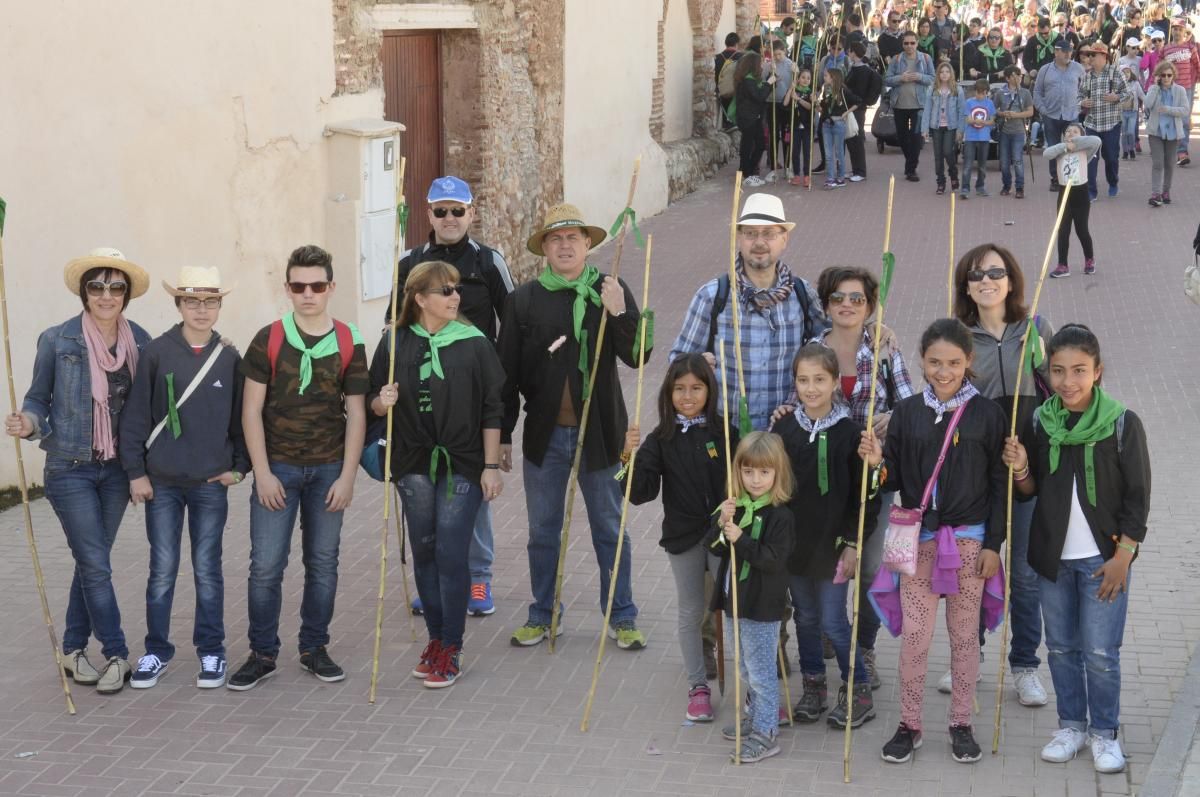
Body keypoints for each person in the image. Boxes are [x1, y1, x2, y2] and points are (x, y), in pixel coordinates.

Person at [498, 204, 650, 649]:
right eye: (555, 239)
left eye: (573, 238)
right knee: (543, 531)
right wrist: (504, 433)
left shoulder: (611, 288)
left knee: (609, 527)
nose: (565, 246)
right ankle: (544, 614)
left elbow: (639, 355)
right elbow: (505, 375)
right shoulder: (523, 299)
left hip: (603, 435)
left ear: (588, 244)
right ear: (544, 248)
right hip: (545, 438)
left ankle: (622, 616)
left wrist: (621, 313)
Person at [1002, 324, 1150, 775]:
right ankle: (1072, 726)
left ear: (1098, 371)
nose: (1068, 381)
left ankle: (1105, 733)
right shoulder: (1040, 421)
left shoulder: (1122, 424)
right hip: (1053, 560)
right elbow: (1029, 493)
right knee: (1062, 648)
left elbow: (1137, 498)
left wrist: (1123, 557)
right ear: (1048, 372)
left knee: (1101, 652)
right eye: (1059, 370)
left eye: (1079, 371)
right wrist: (1022, 466)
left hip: (1103, 561)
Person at [859, 318, 1007, 766]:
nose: (944, 371)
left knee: (964, 639)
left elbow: (1000, 484)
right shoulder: (906, 412)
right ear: (922, 361)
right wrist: (877, 463)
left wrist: (992, 545)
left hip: (968, 542)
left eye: (954, 362)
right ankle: (910, 724)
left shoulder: (988, 414)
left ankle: (961, 722)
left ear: (969, 362)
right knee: (916, 639)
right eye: (935, 362)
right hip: (918, 540)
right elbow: (897, 479)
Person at [6, 248, 152, 695]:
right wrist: (28, 422)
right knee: (95, 563)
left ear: (126, 295)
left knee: (93, 563)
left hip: (116, 471)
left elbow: (146, 409)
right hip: (69, 467)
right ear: (84, 292)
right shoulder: (58, 340)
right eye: (97, 286)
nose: (106, 295)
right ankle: (115, 653)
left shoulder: (141, 342)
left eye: (115, 287)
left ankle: (72, 648)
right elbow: (37, 398)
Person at [228, 244, 369, 691]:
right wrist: (263, 471)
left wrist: (348, 476)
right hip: (280, 469)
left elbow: (358, 413)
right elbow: (251, 411)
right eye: (298, 286)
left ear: (331, 287)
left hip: (328, 469)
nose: (308, 294)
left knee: (323, 563)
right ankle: (262, 653)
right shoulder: (268, 338)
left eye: (317, 285)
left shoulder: (350, 341)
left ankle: (314, 647)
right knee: (266, 566)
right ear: (287, 288)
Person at [369, 260, 506, 689]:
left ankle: (452, 644)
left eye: (455, 288)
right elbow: (370, 404)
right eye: (444, 290)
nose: (454, 296)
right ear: (419, 299)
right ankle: (434, 640)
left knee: (450, 552)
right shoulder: (394, 343)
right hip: (412, 464)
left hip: (462, 464)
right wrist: (382, 401)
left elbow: (492, 407)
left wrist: (489, 466)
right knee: (424, 552)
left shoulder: (475, 342)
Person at [118, 267, 248, 690]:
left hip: (211, 482)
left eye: (210, 301)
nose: (201, 309)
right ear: (178, 305)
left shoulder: (229, 357)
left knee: (208, 568)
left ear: (220, 306)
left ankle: (212, 651)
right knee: (163, 568)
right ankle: (157, 650)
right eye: (192, 301)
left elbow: (241, 420)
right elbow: (136, 417)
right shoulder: (156, 352)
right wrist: (136, 473)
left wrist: (240, 467)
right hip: (163, 482)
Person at [393, 176, 512, 618]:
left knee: (472, 494)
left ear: (471, 212)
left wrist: (505, 425)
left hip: (470, 401)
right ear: (428, 215)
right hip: (421, 406)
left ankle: (478, 580)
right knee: (424, 498)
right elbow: (396, 325)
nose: (449, 219)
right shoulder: (408, 262)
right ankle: (433, 580)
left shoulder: (489, 261)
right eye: (440, 211)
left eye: (457, 211)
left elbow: (512, 328)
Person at [949, 244, 1054, 708]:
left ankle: (1026, 666)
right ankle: (967, 658)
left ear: (1011, 280)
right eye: (976, 273)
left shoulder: (1036, 329)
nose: (986, 280)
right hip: (975, 468)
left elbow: (1057, 393)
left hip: (1028, 466)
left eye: (996, 271)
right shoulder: (958, 336)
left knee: (1027, 577)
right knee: (973, 569)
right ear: (966, 285)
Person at [775, 345, 880, 729]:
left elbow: (864, 497)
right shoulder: (784, 428)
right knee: (805, 618)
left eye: (820, 379)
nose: (811, 388)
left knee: (834, 620)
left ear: (836, 382)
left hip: (835, 546)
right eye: (803, 380)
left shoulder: (852, 434)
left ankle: (859, 688)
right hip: (795, 547)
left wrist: (854, 542)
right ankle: (813, 685)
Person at [623, 355, 732, 722]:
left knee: (733, 607)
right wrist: (628, 455)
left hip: (723, 535)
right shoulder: (660, 438)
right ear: (668, 392)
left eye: (696, 388)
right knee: (690, 611)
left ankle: (750, 686)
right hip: (683, 537)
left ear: (709, 390)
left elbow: (744, 478)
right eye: (680, 388)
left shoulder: (723, 431)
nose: (687, 396)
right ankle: (697, 685)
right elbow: (640, 493)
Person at [670, 193, 826, 431]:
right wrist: (697, 365)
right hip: (725, 432)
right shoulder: (713, 296)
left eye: (769, 234)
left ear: (784, 239)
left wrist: (872, 328)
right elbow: (678, 361)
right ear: (738, 238)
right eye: (750, 233)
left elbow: (828, 346)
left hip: (785, 433)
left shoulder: (802, 295)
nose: (759, 242)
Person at [706, 432, 795, 764]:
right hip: (734, 602)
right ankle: (759, 718)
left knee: (760, 672)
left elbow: (772, 560)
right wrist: (721, 523)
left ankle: (767, 732)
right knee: (743, 665)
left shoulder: (781, 516)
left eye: (764, 472)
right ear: (737, 473)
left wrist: (741, 538)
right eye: (748, 472)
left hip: (761, 605)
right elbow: (713, 547)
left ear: (777, 474)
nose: (755, 480)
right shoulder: (736, 507)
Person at [1045, 123, 1100, 277]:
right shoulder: (1059, 149)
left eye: (1075, 131)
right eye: (1068, 131)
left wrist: (1076, 142)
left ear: (1081, 135)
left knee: (1081, 229)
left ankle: (1089, 260)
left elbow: (1096, 141)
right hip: (1064, 194)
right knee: (1062, 230)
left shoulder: (1085, 149)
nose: (1070, 133)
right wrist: (1064, 147)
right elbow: (1046, 154)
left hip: (1080, 194)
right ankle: (1062, 265)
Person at [1034, 38, 1086, 189]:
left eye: (1069, 51)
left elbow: (1085, 89)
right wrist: (1043, 110)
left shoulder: (1078, 68)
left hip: (1072, 114)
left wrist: (1080, 106)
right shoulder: (1045, 70)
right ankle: (1055, 178)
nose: (1068, 54)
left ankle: (1072, 177)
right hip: (1051, 114)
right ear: (1056, 52)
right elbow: (1037, 91)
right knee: (1053, 147)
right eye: (1064, 51)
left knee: (1074, 145)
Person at [1078, 43, 1129, 200]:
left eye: (1093, 55)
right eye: (1088, 55)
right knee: (1091, 159)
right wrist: (1082, 103)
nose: (1090, 58)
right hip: (1092, 123)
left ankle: (1113, 182)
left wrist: (1117, 97)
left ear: (1103, 56)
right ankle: (1091, 191)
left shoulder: (1116, 73)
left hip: (1111, 123)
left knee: (1111, 157)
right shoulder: (1086, 76)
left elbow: (1128, 94)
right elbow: (1079, 96)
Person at [885, 30, 938, 181]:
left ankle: (911, 169)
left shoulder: (925, 58)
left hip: (919, 105)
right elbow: (887, 79)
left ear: (917, 43)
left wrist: (920, 77)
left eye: (912, 43)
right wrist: (901, 78)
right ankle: (911, 162)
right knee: (902, 137)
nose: (909, 46)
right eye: (906, 43)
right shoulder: (896, 59)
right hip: (899, 104)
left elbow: (933, 79)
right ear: (902, 44)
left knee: (916, 137)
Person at [1144, 60, 1189, 206]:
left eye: (1169, 75)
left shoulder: (1180, 90)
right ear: (1159, 76)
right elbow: (1147, 104)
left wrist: (1169, 109)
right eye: (1163, 75)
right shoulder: (1153, 89)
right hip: (1155, 132)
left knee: (1169, 164)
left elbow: (1185, 110)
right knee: (1158, 163)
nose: (1166, 78)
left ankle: (1166, 191)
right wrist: (1156, 88)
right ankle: (1156, 194)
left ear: (1173, 75)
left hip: (1173, 133)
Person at [734, 52, 777, 187]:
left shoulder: (752, 79)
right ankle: (745, 172)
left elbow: (761, 93)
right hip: (748, 118)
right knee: (748, 145)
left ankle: (748, 171)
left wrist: (771, 79)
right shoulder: (748, 80)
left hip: (753, 117)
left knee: (759, 144)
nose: (762, 65)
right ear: (754, 65)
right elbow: (759, 96)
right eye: (760, 63)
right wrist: (769, 83)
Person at [1161, 21, 1200, 165]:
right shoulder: (1166, 49)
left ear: (1185, 32)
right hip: (1169, 88)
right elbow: (1159, 67)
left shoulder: (1191, 47)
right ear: (1172, 31)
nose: (1177, 32)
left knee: (1184, 120)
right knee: (1169, 118)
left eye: (1180, 29)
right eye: (1175, 29)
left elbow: (1197, 64)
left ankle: (1182, 152)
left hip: (1186, 89)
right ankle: (1169, 149)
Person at [925, 62, 967, 194]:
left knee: (948, 152)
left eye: (947, 72)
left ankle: (953, 174)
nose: (944, 74)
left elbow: (962, 111)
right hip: (936, 126)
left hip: (951, 126)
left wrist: (960, 130)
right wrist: (924, 129)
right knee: (938, 156)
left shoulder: (957, 90)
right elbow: (927, 109)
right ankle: (940, 182)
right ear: (938, 74)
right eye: (942, 72)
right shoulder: (932, 89)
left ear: (951, 74)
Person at [994, 65, 1035, 197]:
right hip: (1004, 132)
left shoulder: (1025, 93)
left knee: (1017, 160)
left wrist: (1016, 115)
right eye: (1013, 76)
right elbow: (993, 110)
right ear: (1007, 78)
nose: (1017, 78)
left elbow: (1030, 112)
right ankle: (1006, 185)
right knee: (1004, 162)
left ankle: (1019, 187)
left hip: (1018, 131)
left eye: (1019, 75)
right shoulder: (1000, 93)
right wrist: (1002, 113)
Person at [819, 66, 862, 187]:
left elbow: (858, 101)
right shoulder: (826, 90)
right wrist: (816, 104)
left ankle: (841, 177)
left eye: (826, 75)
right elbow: (822, 109)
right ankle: (831, 178)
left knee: (839, 153)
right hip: (826, 123)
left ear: (833, 77)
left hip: (838, 123)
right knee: (828, 153)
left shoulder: (842, 90)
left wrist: (846, 113)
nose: (824, 77)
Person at [845, 41, 881, 181]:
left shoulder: (862, 71)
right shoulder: (855, 68)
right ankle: (855, 170)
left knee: (857, 139)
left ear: (853, 53)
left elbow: (858, 93)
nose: (848, 53)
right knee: (852, 139)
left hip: (857, 109)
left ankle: (860, 171)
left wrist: (845, 89)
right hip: (854, 109)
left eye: (850, 51)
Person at [961, 78, 997, 197]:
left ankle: (980, 186)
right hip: (971, 137)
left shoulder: (990, 103)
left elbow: (992, 120)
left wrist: (984, 123)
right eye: (978, 92)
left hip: (984, 137)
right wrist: (974, 121)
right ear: (974, 91)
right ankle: (965, 188)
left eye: (983, 93)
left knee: (982, 164)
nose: (980, 95)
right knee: (968, 164)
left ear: (987, 92)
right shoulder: (969, 102)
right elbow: (967, 118)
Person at [767, 40, 797, 182]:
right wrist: (770, 72)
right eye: (775, 54)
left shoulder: (791, 65)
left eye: (779, 54)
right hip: (771, 102)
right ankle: (773, 168)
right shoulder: (769, 65)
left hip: (786, 103)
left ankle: (787, 167)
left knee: (786, 135)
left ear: (784, 51)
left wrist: (795, 73)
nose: (777, 57)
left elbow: (797, 83)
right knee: (773, 135)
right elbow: (764, 82)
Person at [787, 67, 817, 187]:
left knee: (806, 152)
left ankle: (806, 176)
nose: (806, 80)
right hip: (795, 126)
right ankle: (796, 175)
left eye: (808, 78)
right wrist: (791, 90)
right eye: (803, 77)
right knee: (795, 151)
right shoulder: (794, 90)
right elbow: (785, 103)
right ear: (798, 79)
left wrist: (798, 99)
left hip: (807, 127)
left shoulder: (811, 93)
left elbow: (810, 107)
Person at [1117, 62, 1145, 159]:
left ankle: (1131, 148)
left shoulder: (1136, 83)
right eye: (1123, 72)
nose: (1126, 74)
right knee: (1124, 133)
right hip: (1122, 112)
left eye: (1128, 72)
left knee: (1131, 132)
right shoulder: (1118, 85)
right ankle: (1125, 151)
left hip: (1133, 112)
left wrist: (1148, 104)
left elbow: (1142, 95)